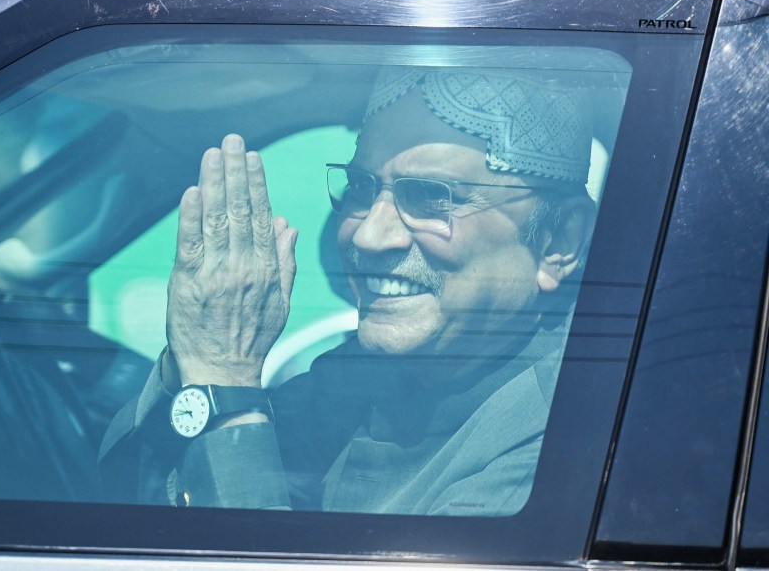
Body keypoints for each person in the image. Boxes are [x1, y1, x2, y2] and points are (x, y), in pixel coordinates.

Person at [99, 64, 598, 515]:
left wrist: (225, 373)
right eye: (361, 188)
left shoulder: (568, 448)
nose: (367, 234)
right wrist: (199, 353)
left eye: (431, 197)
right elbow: (128, 510)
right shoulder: (365, 378)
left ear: (558, 242)